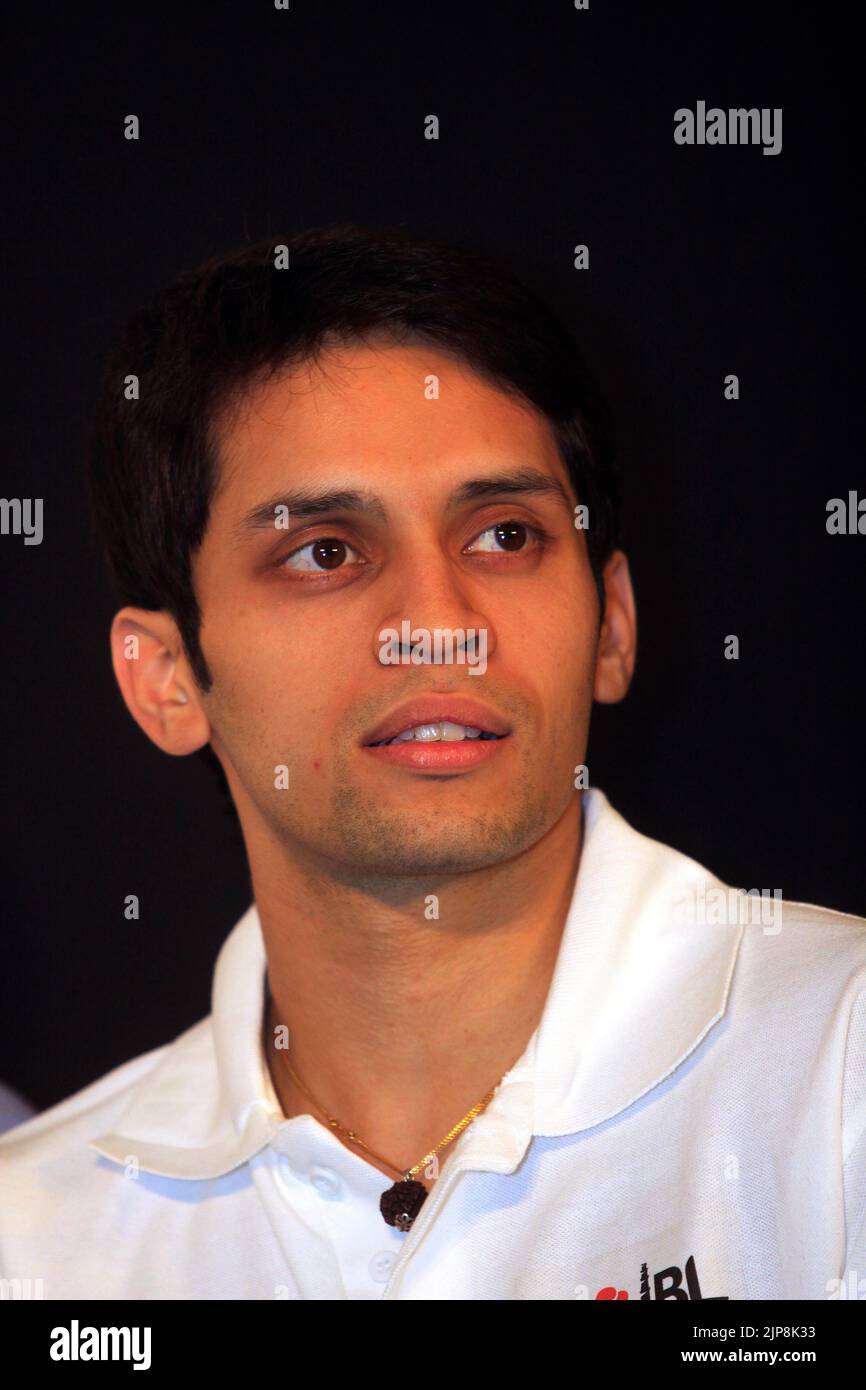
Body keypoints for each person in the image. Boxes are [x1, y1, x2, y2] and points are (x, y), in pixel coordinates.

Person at [1, 224, 863, 1300]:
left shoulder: (841, 1075)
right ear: (166, 674)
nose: (437, 625)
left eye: (503, 535)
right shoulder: (31, 1240)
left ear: (610, 624)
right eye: (324, 552)